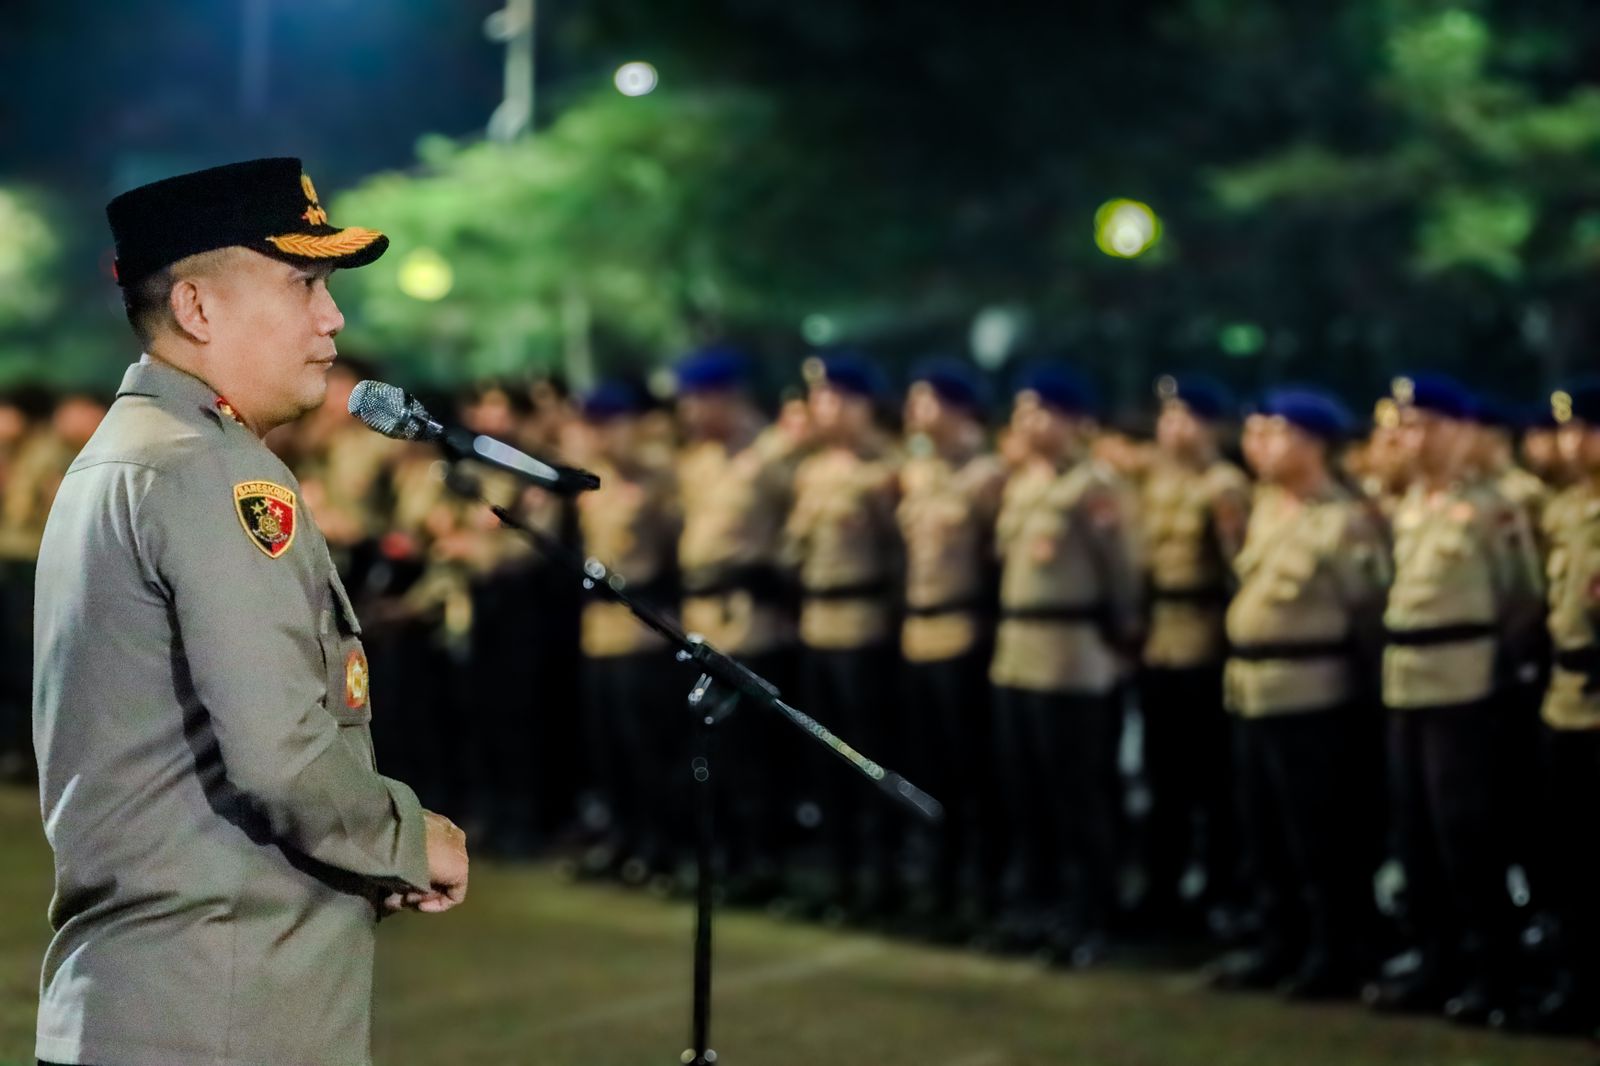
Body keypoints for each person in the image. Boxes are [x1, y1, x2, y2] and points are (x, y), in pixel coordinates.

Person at [32, 158, 468, 1066]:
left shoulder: (131, 452)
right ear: (197, 309)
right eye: (304, 283)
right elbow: (280, 753)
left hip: (152, 996)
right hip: (223, 1004)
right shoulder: (210, 467)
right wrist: (404, 836)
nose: (332, 318)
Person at [1364, 373, 1543, 1025]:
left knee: (1467, 833)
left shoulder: (1491, 507)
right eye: (1409, 426)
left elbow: (1521, 601)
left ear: (1465, 433)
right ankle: (1435, 961)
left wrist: (1500, 674)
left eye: (1430, 425)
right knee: (1415, 833)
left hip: (1465, 684)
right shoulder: (1410, 505)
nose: (1416, 439)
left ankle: (1492, 969)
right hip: (1407, 679)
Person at [1213, 388, 1390, 999]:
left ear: (1314, 444)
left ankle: (1334, 950)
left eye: (1277, 432)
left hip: (1314, 693)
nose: (1259, 442)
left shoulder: (1342, 520)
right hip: (1254, 689)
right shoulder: (1267, 508)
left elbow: (1367, 613)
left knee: (1320, 833)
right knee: (1264, 830)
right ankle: (1279, 941)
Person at [989, 364, 1140, 963]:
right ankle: (1042, 906)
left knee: (1078, 795)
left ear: (1075, 421)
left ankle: (1091, 913)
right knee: (1028, 794)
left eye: (1041, 413)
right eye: (1022, 412)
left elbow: (1123, 573)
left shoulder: (1094, 487)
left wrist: (1122, 634)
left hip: (1072, 657)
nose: (1027, 424)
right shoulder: (1024, 484)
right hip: (1017, 656)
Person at [674, 344, 805, 902]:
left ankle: (765, 862)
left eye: (696, 401)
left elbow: (795, 536)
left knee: (757, 757)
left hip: (753, 620)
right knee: (715, 753)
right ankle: (726, 856)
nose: (688, 414)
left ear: (724, 397)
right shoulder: (698, 460)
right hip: (704, 621)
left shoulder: (773, 456)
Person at [782, 352, 902, 920]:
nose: (818, 408)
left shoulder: (885, 471)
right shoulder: (813, 470)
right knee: (825, 761)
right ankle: (841, 877)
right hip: (818, 626)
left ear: (860, 405)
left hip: (864, 626)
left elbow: (900, 558)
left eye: (830, 398)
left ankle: (880, 879)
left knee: (865, 757)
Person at [896, 358, 1007, 936]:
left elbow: (997, 562)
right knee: (928, 767)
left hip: (965, 635)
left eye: (926, 400)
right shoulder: (919, 473)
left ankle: (979, 887)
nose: (914, 411)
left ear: (960, 407)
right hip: (920, 635)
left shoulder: (989, 475)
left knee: (971, 772)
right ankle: (938, 883)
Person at [1137, 373, 1252, 931]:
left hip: (1203, 642)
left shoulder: (1223, 486)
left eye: (1183, 417)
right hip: (1159, 642)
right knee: (1164, 778)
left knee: (1210, 779)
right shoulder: (1155, 483)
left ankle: (1218, 887)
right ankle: (1164, 886)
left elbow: (1238, 570)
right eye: (1166, 417)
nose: (1170, 428)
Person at [574, 380, 686, 886]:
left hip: (642, 632)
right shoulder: (594, 485)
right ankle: (622, 837)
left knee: (649, 749)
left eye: (610, 424)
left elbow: (675, 555)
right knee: (609, 747)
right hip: (599, 633)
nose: (602, 436)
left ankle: (658, 843)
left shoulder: (659, 481)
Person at [1514, 378, 1600, 1035]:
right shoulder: (1569, 509)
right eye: (1570, 430)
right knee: (1569, 853)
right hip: (1566, 695)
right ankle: (1575, 982)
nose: (1574, 442)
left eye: (1587, 429)